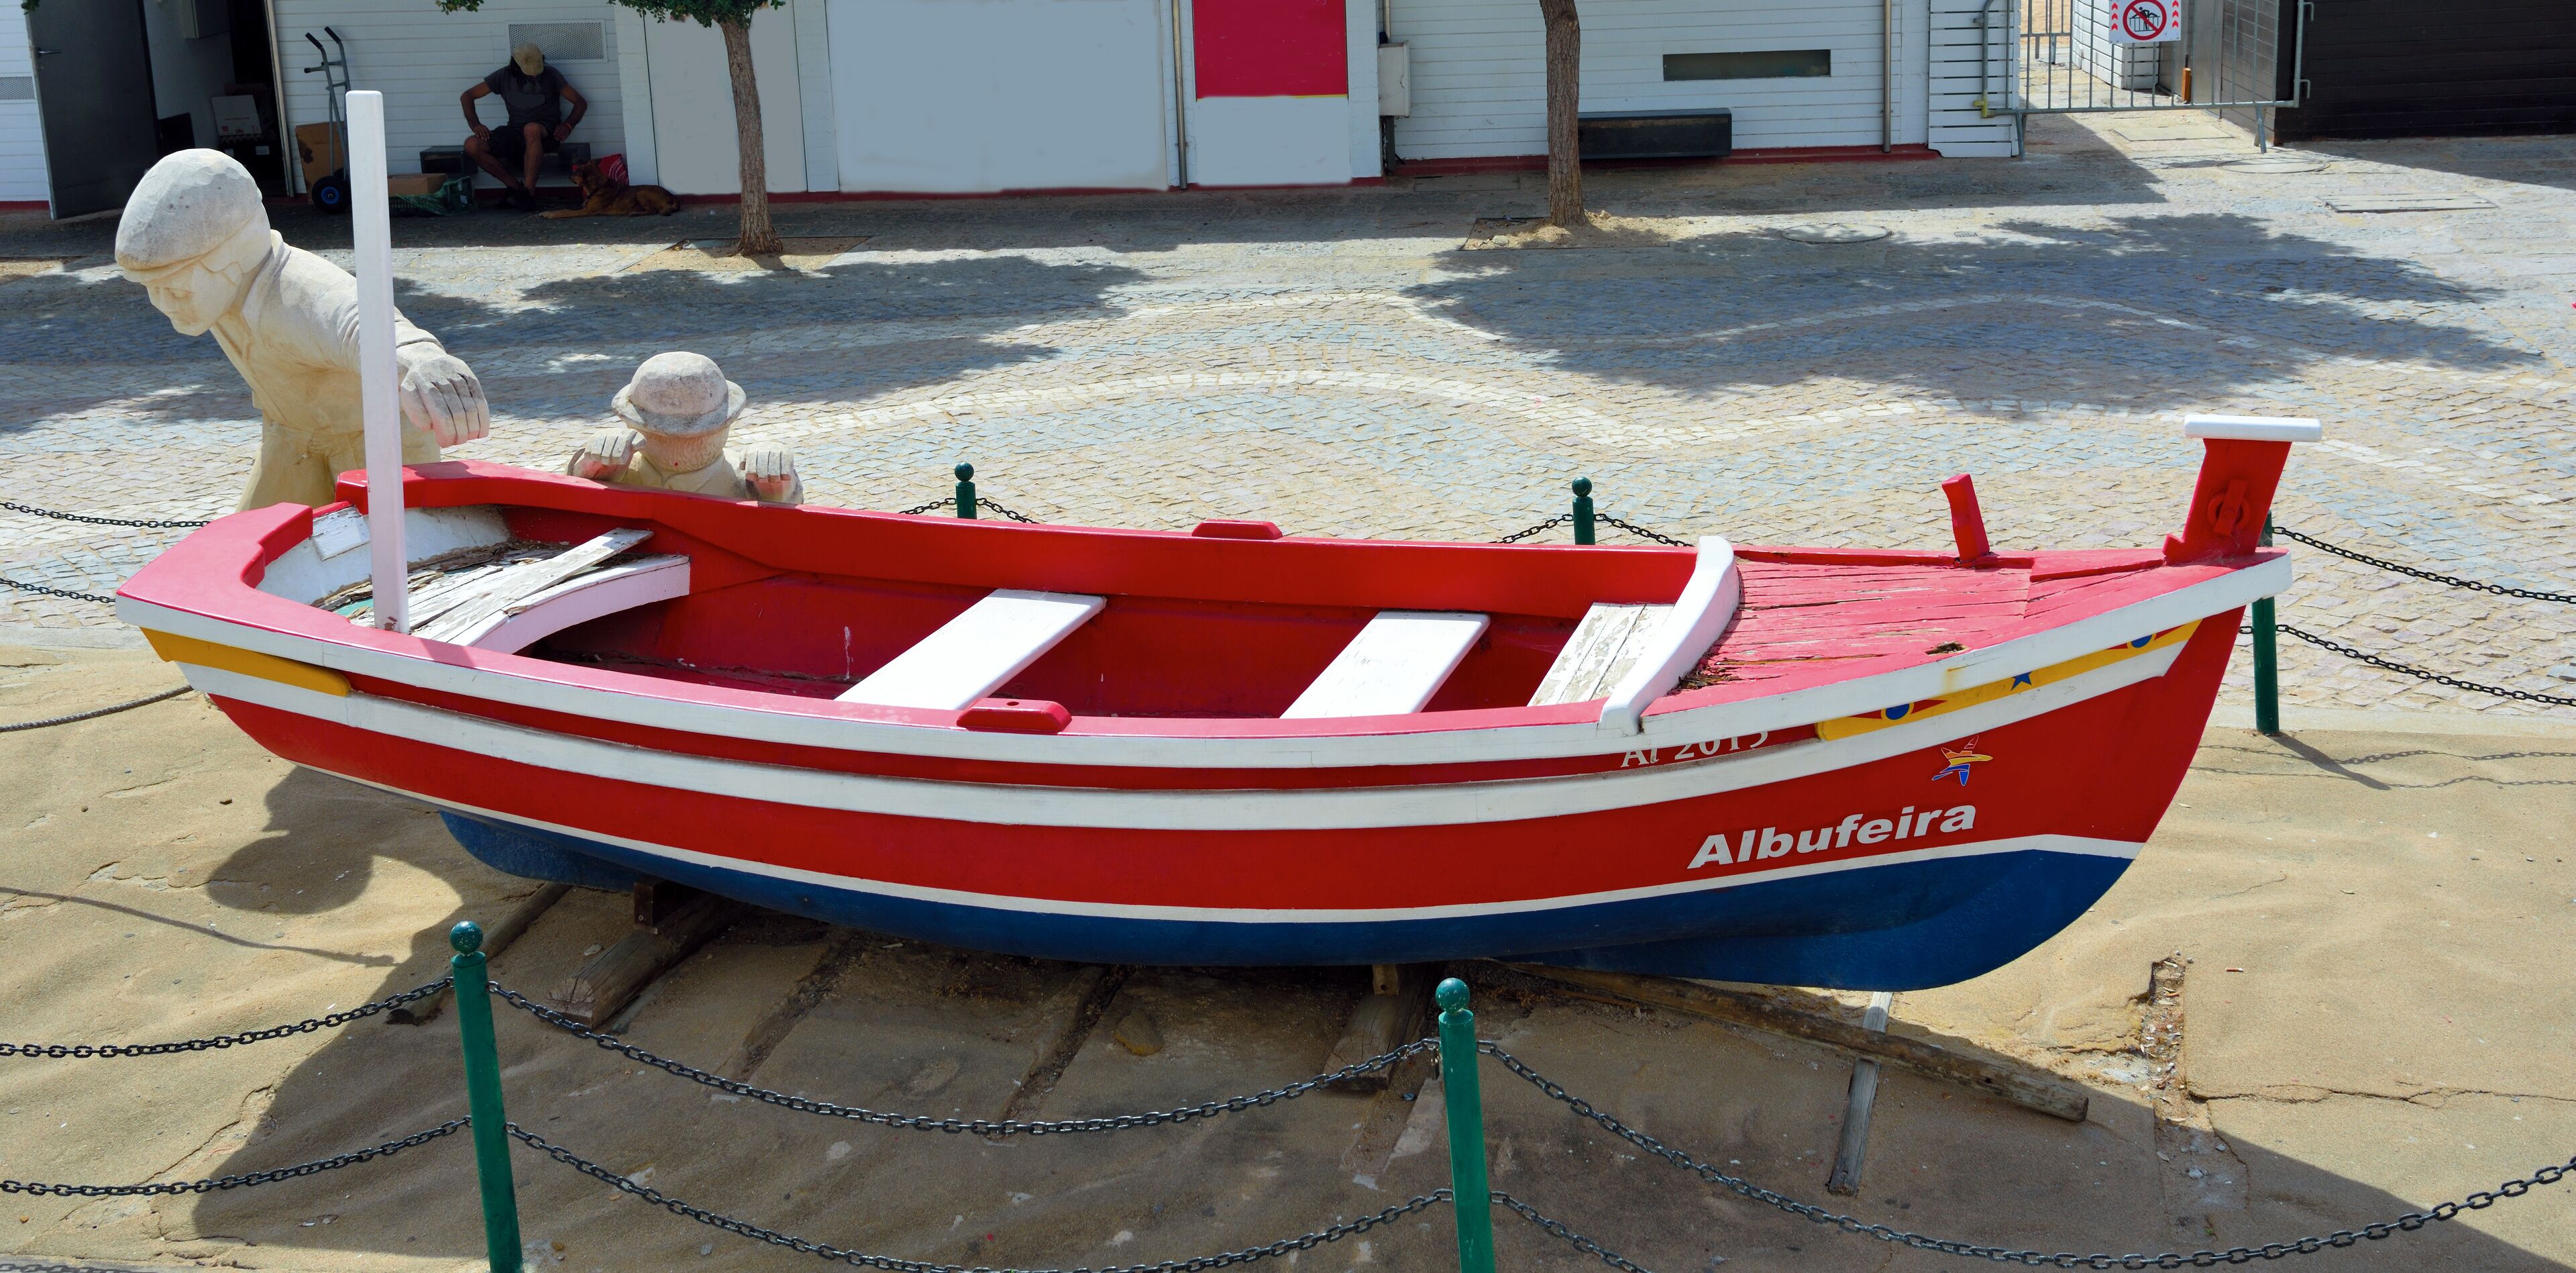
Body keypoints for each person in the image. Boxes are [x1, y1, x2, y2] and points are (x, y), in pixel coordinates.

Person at [115, 150, 491, 510]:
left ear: (231, 259)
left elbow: (361, 322)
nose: (161, 303)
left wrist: (422, 360)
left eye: (175, 289)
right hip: (290, 436)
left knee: (398, 563)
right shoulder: (226, 289)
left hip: (376, 441)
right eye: (151, 288)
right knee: (253, 550)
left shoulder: (300, 288)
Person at [568, 353, 802, 504]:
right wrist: (591, 466)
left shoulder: (745, 481)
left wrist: (778, 480)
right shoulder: (619, 471)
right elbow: (571, 500)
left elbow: (786, 517)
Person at [462, 43, 586, 211]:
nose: (534, 75)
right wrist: (475, 124)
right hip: (515, 130)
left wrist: (568, 125)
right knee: (472, 145)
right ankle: (517, 190)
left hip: (545, 133)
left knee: (531, 129)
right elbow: (467, 96)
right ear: (516, 65)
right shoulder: (503, 76)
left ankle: (530, 193)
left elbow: (580, 102)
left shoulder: (551, 75)